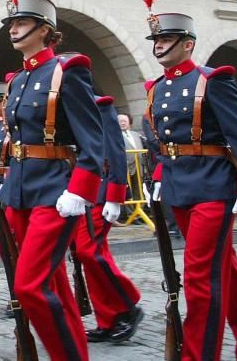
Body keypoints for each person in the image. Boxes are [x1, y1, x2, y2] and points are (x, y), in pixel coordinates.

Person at [142, 0, 237, 361]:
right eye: (156, 40)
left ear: (188, 44)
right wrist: (158, 174)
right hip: (179, 188)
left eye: (167, 39)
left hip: (214, 187)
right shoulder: (156, 88)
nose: (159, 46)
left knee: (201, 278)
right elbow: (157, 137)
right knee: (226, 274)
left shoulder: (212, 80)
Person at [0, 0, 105, 361]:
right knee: (50, 282)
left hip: (56, 190)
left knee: (30, 286)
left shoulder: (67, 72)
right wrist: (5, 186)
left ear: (45, 31)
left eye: (21, 23)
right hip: (20, 190)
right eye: (12, 24)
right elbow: (18, 139)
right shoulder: (18, 80)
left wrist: (81, 189)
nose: (13, 29)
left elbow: (93, 140)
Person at [76, 96, 143, 345]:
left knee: (89, 251)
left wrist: (116, 194)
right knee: (91, 254)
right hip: (76, 190)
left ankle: (128, 305)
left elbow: (115, 149)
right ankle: (108, 318)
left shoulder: (99, 105)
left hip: (101, 189)